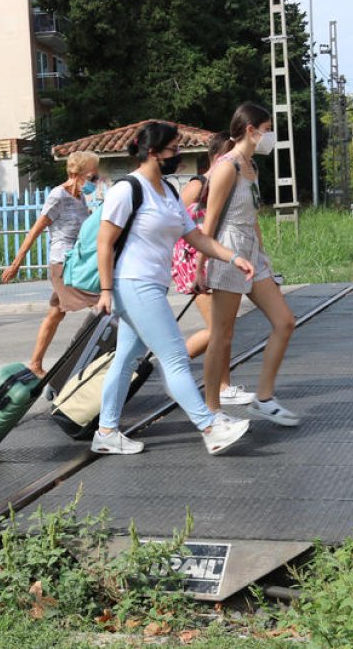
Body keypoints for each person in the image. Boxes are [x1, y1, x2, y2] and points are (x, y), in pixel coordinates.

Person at [92, 121, 256, 456]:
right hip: (133, 283)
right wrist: (106, 290)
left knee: (126, 359)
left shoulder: (166, 191)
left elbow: (194, 236)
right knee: (176, 357)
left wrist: (232, 256)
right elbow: (104, 242)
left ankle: (106, 431)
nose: (177, 156)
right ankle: (210, 428)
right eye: (172, 150)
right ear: (152, 153)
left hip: (151, 283)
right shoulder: (127, 190)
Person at [201, 103, 299, 426]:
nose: (270, 135)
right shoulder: (226, 166)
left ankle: (265, 398)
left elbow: (253, 216)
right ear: (250, 130)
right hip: (227, 251)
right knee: (222, 335)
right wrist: (203, 265)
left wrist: (264, 255)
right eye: (267, 129)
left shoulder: (251, 166)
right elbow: (210, 221)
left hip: (252, 253)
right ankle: (212, 411)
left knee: (285, 321)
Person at [0, 151, 101, 377]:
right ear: (76, 175)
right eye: (92, 177)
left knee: (56, 314)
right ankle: (88, 361)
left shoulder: (81, 198)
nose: (96, 182)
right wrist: (16, 263)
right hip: (62, 264)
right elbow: (36, 230)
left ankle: (35, 363)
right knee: (101, 303)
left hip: (76, 261)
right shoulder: (58, 195)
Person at [170, 131, 249, 404]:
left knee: (225, 330)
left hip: (216, 259)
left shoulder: (227, 185)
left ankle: (225, 386)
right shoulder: (198, 184)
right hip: (195, 262)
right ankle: (172, 367)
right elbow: (174, 221)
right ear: (218, 157)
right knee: (217, 330)